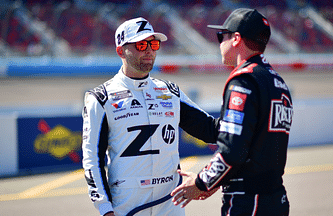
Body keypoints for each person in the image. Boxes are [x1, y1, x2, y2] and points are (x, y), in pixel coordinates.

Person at [82, 17, 219, 216]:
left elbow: (210, 129)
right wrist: (104, 208)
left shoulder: (170, 92)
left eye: (153, 44)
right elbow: (92, 159)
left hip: (171, 203)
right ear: (121, 50)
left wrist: (250, 119)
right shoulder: (101, 98)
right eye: (140, 44)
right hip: (128, 205)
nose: (149, 50)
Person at [171, 8, 293, 216]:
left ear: (236, 39)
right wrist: (173, 106)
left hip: (249, 201)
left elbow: (232, 151)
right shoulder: (276, 81)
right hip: (274, 198)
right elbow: (231, 134)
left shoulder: (243, 81)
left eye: (222, 36)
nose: (219, 42)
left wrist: (201, 183)